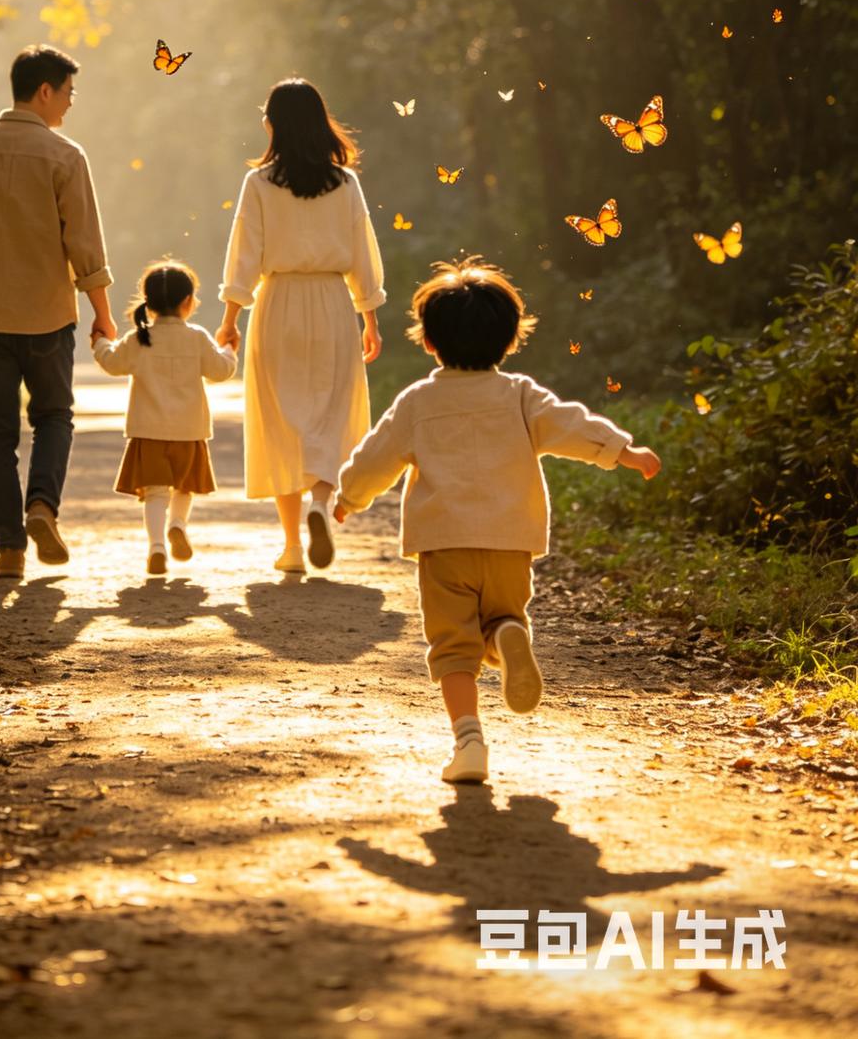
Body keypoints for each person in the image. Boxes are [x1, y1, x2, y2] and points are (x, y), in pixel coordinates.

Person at [334, 256, 661, 784]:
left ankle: (469, 743)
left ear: (430, 342)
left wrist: (349, 495)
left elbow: (377, 456)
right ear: (509, 340)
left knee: (453, 648)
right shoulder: (521, 395)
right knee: (500, 619)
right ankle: (507, 634)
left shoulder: (418, 402)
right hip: (511, 541)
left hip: (445, 545)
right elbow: (572, 425)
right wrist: (624, 450)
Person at [0, 45, 116, 582]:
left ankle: (9, 550)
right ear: (45, 91)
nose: (71, 103)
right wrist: (102, 313)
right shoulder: (65, 156)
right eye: (69, 93)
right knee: (54, 417)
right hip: (47, 317)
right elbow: (84, 243)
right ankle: (42, 506)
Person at [217, 78, 385, 574]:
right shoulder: (345, 183)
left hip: (278, 304)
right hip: (333, 303)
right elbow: (363, 254)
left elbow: (244, 254)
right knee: (331, 414)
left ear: (273, 124)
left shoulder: (259, 184)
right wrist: (369, 318)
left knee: (281, 422)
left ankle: (292, 547)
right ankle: (321, 503)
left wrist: (230, 319)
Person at [92, 261, 238, 576]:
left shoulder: (139, 338)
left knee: (156, 493)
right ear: (187, 301)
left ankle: (156, 547)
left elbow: (112, 362)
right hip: (190, 431)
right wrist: (229, 350)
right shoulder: (197, 337)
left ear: (149, 302)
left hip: (149, 432)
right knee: (185, 487)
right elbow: (221, 370)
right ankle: (178, 525)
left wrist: (100, 341)